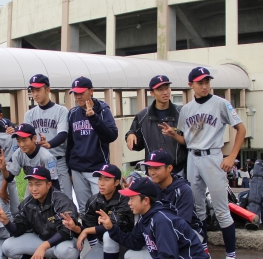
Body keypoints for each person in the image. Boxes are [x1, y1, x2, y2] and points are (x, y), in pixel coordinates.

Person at [163, 66, 247, 259]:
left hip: (213, 156)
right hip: (193, 157)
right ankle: (203, 252)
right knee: (198, 209)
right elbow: (187, 140)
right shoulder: (187, 109)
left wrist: (231, 156)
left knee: (221, 210)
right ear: (191, 85)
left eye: (207, 81)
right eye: (200, 82)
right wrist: (173, 135)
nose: (205, 86)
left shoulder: (220, 103)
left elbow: (241, 129)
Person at [0, 166, 82, 259]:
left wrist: (43, 247)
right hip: (43, 239)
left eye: (38, 184)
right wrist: (7, 222)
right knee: (7, 247)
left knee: (65, 252)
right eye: (30, 184)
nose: (34, 189)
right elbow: (18, 231)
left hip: (65, 240)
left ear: (49, 185)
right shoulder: (27, 203)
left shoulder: (61, 200)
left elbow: (67, 231)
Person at [62, 164, 133, 259]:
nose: (101, 183)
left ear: (117, 182)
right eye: (100, 179)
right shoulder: (93, 200)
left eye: (107, 179)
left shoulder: (125, 200)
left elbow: (114, 226)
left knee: (109, 235)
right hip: (105, 245)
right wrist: (82, 232)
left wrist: (87, 231)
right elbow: (88, 224)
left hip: (126, 244)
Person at [141, 149, 208, 258]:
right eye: (149, 168)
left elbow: (182, 224)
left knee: (163, 256)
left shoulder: (183, 189)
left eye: (157, 168)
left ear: (169, 168)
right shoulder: (151, 188)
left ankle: (197, 258)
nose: (151, 172)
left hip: (189, 232)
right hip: (161, 231)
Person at [67, 76, 118, 210]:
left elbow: (112, 136)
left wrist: (94, 118)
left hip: (97, 168)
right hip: (77, 169)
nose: (78, 96)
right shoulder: (73, 113)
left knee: (101, 207)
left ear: (91, 91)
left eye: (81, 92)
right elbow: (70, 143)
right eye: (75, 93)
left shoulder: (103, 110)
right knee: (84, 209)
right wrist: (69, 168)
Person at [24, 74, 73, 200]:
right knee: (32, 202)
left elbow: (63, 134)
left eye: (38, 90)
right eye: (32, 91)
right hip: (38, 163)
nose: (35, 94)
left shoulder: (61, 110)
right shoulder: (29, 114)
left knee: (64, 200)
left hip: (58, 161)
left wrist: (49, 144)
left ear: (47, 90)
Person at [126, 75, 187, 175]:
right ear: (152, 93)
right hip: (153, 171)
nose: (165, 92)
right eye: (160, 89)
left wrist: (174, 135)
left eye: (167, 88)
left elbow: (190, 141)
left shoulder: (181, 113)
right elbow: (137, 143)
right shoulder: (143, 115)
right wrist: (131, 134)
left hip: (177, 170)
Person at [0, 123, 60, 199]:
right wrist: (3, 169)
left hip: (45, 187)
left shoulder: (46, 157)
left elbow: (54, 183)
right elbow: (9, 177)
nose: (21, 144)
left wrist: (55, 201)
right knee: (26, 204)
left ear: (34, 138)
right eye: (18, 141)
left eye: (24, 140)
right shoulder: (18, 153)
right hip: (32, 185)